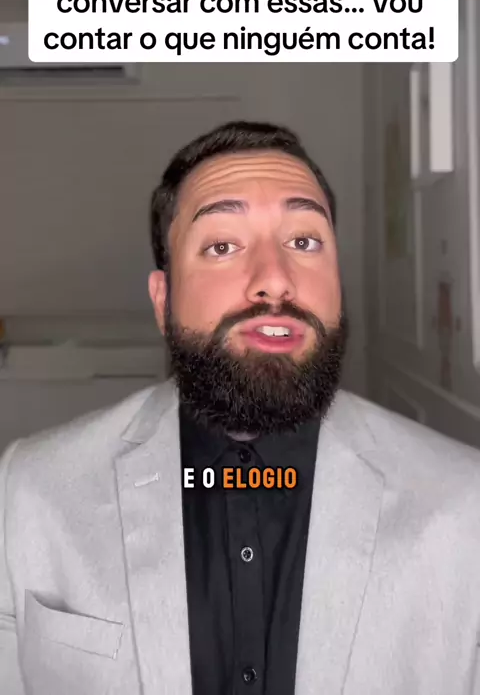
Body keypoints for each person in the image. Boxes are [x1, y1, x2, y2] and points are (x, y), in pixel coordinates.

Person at [1, 121, 480, 695]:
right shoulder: (28, 490)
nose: (274, 280)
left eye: (304, 242)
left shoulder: (466, 506)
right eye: (222, 246)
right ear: (163, 301)